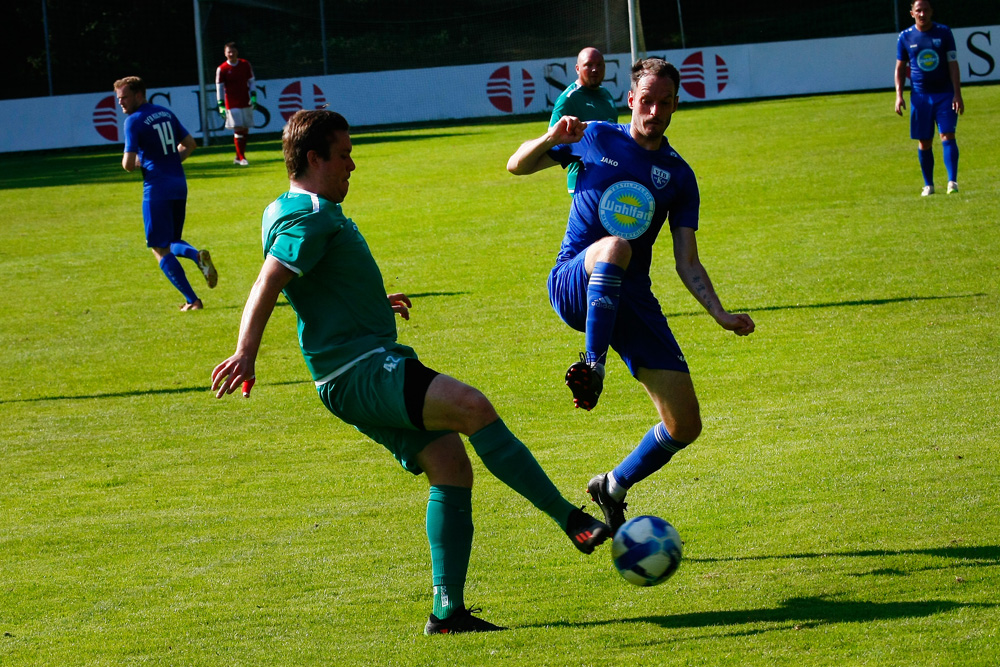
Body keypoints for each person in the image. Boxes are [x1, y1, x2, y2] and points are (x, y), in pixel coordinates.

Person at [210, 109, 610, 635]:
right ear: (314, 158)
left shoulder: (285, 208)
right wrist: (246, 351)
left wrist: (372, 301)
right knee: (473, 407)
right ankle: (569, 518)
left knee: (451, 466)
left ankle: (448, 613)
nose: (352, 164)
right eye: (345, 153)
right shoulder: (309, 214)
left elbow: (315, 282)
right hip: (360, 369)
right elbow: (270, 281)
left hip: (351, 369)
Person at [506, 58, 755, 535]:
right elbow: (517, 165)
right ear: (631, 99)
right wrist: (552, 139)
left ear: (675, 105)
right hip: (575, 281)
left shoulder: (679, 175)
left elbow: (687, 261)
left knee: (685, 424)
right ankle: (593, 366)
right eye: (647, 100)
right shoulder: (597, 135)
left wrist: (719, 313)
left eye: (665, 103)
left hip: (630, 298)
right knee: (616, 246)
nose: (655, 111)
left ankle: (613, 485)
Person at [115, 76, 218, 311]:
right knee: (171, 241)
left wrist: (143, 162)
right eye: (119, 98)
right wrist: (171, 161)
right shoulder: (164, 113)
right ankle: (196, 256)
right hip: (178, 184)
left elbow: (128, 164)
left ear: (139, 94)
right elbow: (190, 143)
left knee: (158, 248)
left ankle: (193, 300)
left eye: (125, 97)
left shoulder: (133, 121)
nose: (121, 103)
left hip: (157, 188)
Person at [894, 0, 964, 196]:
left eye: (925, 10)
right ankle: (929, 185)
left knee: (947, 135)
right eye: (918, 10)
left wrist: (957, 93)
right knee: (924, 141)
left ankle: (952, 182)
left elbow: (953, 64)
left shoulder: (944, 33)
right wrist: (899, 95)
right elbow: (900, 68)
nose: (922, 14)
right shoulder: (905, 37)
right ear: (912, 13)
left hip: (944, 94)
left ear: (931, 11)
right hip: (920, 97)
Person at [549, 47, 619, 195]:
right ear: (577, 68)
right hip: (584, 183)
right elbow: (552, 140)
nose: (595, 69)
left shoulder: (606, 95)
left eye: (599, 65)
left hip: (610, 178)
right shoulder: (568, 99)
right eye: (589, 65)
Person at [216, 42, 257, 166]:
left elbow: (251, 82)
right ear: (225, 53)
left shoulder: (245, 65)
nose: (231, 54)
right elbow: (219, 87)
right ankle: (242, 157)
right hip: (232, 104)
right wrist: (221, 105)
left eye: (233, 51)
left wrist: (254, 97)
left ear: (237, 52)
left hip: (245, 101)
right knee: (238, 129)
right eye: (229, 52)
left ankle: (238, 157)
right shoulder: (222, 69)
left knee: (244, 129)